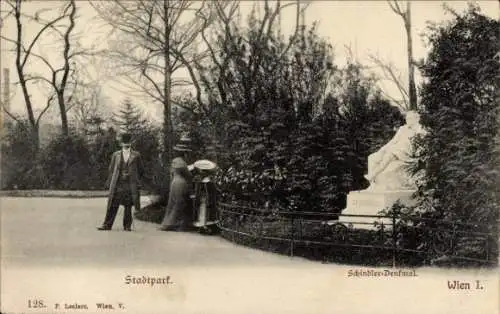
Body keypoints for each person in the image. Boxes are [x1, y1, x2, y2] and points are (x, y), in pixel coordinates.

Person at [364, 111, 425, 190]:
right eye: (406, 118)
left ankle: (373, 175)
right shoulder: (402, 128)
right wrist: (382, 149)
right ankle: (372, 185)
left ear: (417, 119)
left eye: (410, 118)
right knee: (371, 157)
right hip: (395, 148)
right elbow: (393, 141)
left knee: (392, 152)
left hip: (407, 152)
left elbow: (422, 147)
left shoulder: (421, 130)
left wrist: (417, 154)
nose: (407, 120)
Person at [98, 133, 145, 231]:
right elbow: (111, 169)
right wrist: (111, 182)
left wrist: (134, 178)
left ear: (131, 143)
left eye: (128, 142)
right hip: (118, 184)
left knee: (128, 205)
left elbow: (141, 170)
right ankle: (107, 225)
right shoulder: (116, 155)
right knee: (113, 204)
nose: (126, 144)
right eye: (124, 143)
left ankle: (127, 226)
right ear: (121, 143)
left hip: (130, 184)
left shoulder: (136, 155)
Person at [158, 157, 194, 231]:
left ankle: (170, 223)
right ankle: (173, 223)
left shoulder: (176, 163)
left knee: (174, 203)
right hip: (179, 183)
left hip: (176, 183)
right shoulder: (182, 165)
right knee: (175, 203)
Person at [192, 160, 219, 235]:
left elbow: (211, 191)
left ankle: (205, 227)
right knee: (203, 213)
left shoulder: (207, 181)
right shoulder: (205, 180)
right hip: (203, 199)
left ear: (206, 172)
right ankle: (203, 227)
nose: (201, 172)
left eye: (203, 171)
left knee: (205, 213)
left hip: (205, 200)